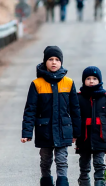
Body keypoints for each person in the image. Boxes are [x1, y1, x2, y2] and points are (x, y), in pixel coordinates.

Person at [21, 46, 81, 186]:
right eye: (50, 59)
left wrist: (76, 132)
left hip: (63, 129)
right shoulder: (37, 84)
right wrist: (27, 132)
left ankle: (62, 182)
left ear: (61, 62)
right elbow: (30, 109)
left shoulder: (68, 83)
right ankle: (46, 180)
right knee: (45, 159)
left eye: (57, 60)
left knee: (62, 160)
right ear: (45, 62)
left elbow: (75, 110)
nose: (54, 62)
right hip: (44, 131)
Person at [75, 66, 106, 186]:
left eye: (94, 78)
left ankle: (100, 182)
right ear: (84, 81)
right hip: (83, 139)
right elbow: (74, 118)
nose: (91, 81)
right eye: (88, 78)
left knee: (100, 164)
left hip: (101, 139)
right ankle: (84, 181)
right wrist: (74, 134)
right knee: (84, 164)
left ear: (99, 81)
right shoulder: (78, 98)